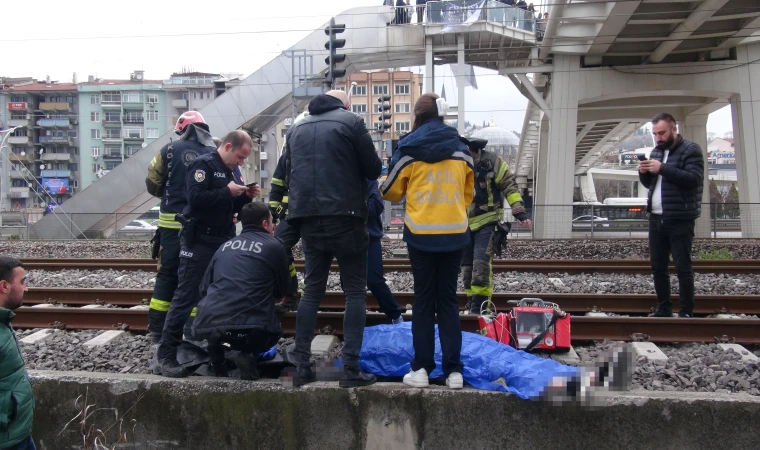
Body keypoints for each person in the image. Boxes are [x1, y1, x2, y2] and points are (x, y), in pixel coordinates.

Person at [284, 89, 382, 388]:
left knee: (312, 290)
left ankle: (301, 367)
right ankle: (350, 370)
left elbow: (288, 172)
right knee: (354, 292)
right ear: (345, 105)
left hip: (308, 218)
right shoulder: (351, 122)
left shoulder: (296, 128)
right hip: (346, 215)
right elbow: (373, 168)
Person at [380, 93, 475, 389]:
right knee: (448, 301)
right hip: (455, 234)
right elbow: (469, 194)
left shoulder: (409, 149)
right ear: (443, 114)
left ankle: (420, 369)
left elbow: (389, 191)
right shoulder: (462, 149)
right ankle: (454, 372)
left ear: (418, 115)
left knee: (423, 301)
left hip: (420, 235)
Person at [155, 130, 259, 378]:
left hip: (222, 238)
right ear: (228, 146)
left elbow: (226, 205)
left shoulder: (231, 171)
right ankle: (166, 356)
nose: (241, 163)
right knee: (185, 297)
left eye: (245, 159)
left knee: (223, 297)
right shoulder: (202, 165)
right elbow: (196, 198)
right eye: (240, 156)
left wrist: (242, 198)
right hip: (200, 240)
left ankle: (218, 355)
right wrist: (228, 192)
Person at [191, 202, 290, 380]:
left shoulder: (224, 247)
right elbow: (282, 291)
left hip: (211, 328)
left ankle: (218, 364)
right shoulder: (275, 245)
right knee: (273, 321)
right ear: (264, 224)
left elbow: (204, 289)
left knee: (217, 325)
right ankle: (249, 354)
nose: (274, 225)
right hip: (251, 332)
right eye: (271, 220)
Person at [144, 111, 217, 343]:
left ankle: (157, 330)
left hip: (170, 225)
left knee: (167, 274)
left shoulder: (167, 150)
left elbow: (152, 183)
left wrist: (168, 195)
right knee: (196, 276)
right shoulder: (213, 152)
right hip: (200, 226)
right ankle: (191, 329)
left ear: (182, 130)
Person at [639, 113, 704, 318]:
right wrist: (644, 172)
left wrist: (663, 168)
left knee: (682, 267)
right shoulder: (656, 152)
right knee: (658, 267)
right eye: (655, 134)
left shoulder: (691, 150)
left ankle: (686, 312)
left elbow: (693, 179)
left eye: (662, 133)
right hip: (656, 218)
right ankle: (664, 309)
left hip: (680, 218)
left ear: (674, 129)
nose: (658, 138)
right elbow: (651, 185)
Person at [460, 137, 531, 315]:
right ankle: (472, 303)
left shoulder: (492, 163)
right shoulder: (458, 164)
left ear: (475, 151)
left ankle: (480, 308)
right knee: (467, 268)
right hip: (463, 225)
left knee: (481, 264)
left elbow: (510, 186)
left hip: (487, 222)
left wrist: (519, 211)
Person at [268, 111, 310, 314]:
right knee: (277, 248)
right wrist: (275, 214)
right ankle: (291, 292)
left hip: (312, 215)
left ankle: (309, 295)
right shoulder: (287, 157)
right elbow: (276, 187)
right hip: (291, 216)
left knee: (315, 254)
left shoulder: (320, 156)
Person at [0, 257, 35, 450]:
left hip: (17, 433)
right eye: (22, 282)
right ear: (4, 286)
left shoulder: (3, 319)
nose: (26, 288)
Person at [366, 178, 404, 323]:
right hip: (347, 237)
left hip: (369, 237)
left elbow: (376, 205)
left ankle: (395, 315)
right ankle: (355, 329)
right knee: (350, 287)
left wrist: (353, 205)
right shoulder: (339, 174)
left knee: (374, 281)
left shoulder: (367, 178)